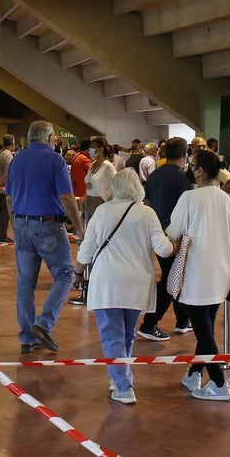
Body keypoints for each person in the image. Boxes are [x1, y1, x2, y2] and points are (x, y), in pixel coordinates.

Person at [74, 169, 175, 404]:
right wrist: (178, 244)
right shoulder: (147, 214)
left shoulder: (102, 211)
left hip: (108, 283)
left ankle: (123, 386)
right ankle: (120, 375)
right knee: (127, 335)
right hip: (137, 284)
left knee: (111, 336)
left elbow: (87, 250)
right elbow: (163, 249)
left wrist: (77, 273)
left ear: (114, 187)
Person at [166, 149, 230, 402]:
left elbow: (173, 232)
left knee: (204, 333)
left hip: (197, 274)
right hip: (222, 273)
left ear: (199, 170)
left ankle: (220, 383)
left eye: (193, 165)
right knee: (206, 327)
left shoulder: (189, 198)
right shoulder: (226, 199)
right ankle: (194, 373)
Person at [8, 120, 85, 352]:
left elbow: (8, 197)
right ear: (50, 138)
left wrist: (16, 224)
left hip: (22, 224)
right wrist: (79, 227)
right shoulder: (55, 160)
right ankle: (44, 323)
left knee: (25, 283)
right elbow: (66, 197)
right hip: (49, 226)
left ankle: (26, 338)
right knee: (65, 274)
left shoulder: (17, 160)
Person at [137, 137, 194, 341]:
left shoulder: (154, 176)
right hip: (177, 235)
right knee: (172, 279)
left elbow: (148, 203)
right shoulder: (183, 177)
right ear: (185, 154)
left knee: (176, 275)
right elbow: (189, 207)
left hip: (158, 232)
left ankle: (183, 320)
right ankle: (149, 323)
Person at [84, 138, 116, 222]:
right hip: (89, 199)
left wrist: (110, 202)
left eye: (93, 147)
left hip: (101, 201)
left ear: (101, 149)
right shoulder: (92, 165)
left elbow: (116, 185)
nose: (90, 150)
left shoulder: (108, 166)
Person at [0, 135, 15, 243]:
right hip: (5, 189)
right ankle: (2, 236)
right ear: (12, 143)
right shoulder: (8, 156)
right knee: (5, 214)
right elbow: (7, 174)